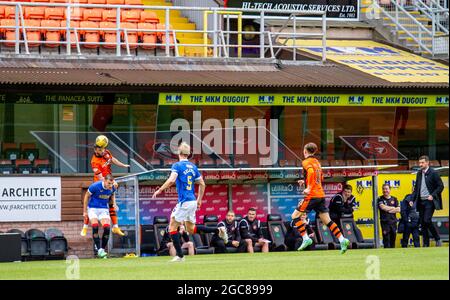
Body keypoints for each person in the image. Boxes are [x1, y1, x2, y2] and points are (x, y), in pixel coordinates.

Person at [152, 142, 228, 262]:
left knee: (172, 227)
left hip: (185, 202)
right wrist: (199, 200)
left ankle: (180, 256)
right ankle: (218, 230)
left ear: (179, 153)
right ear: (188, 154)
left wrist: (160, 189)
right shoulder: (193, 167)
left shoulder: (177, 165)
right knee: (191, 229)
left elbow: (171, 180)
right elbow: (202, 184)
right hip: (192, 200)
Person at [292, 142, 350, 254]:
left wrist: (308, 187)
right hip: (320, 195)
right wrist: (305, 181)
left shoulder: (306, 162)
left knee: (295, 216)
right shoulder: (317, 162)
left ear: (305, 151)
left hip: (312, 195)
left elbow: (311, 172)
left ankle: (306, 238)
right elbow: (320, 177)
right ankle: (342, 240)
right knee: (327, 221)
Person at [80, 135, 130, 237]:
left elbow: (112, 159)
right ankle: (85, 227)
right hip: (99, 184)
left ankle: (115, 227)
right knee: (92, 205)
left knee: (111, 203)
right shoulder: (94, 161)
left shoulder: (106, 152)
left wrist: (123, 165)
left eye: (104, 149)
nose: (103, 152)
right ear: (96, 150)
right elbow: (100, 177)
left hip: (108, 181)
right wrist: (111, 183)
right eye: (101, 150)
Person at [411, 155, 444, 247]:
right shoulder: (419, 173)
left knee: (426, 220)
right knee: (423, 222)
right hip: (420, 201)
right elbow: (416, 188)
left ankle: (437, 238)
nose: (420, 164)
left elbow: (440, 186)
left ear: (427, 162)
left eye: (422, 162)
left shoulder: (433, 173)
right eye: (419, 163)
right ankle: (426, 244)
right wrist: (412, 200)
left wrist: (433, 195)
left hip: (429, 201)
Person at [82, 174, 117, 258]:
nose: (110, 186)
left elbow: (112, 194)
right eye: (109, 183)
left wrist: (114, 203)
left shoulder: (113, 187)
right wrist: (85, 211)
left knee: (107, 228)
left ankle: (102, 249)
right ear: (104, 181)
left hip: (104, 209)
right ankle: (99, 249)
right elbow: (86, 196)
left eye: (111, 184)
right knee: (95, 226)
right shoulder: (95, 186)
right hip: (93, 209)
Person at [377, 184, 400, 248]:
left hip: (393, 222)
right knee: (386, 240)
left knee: (393, 240)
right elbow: (383, 207)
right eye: (383, 189)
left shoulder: (394, 199)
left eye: (386, 189)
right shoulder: (380, 198)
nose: (385, 190)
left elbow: (398, 209)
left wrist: (389, 209)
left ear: (389, 190)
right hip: (385, 223)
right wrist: (393, 208)